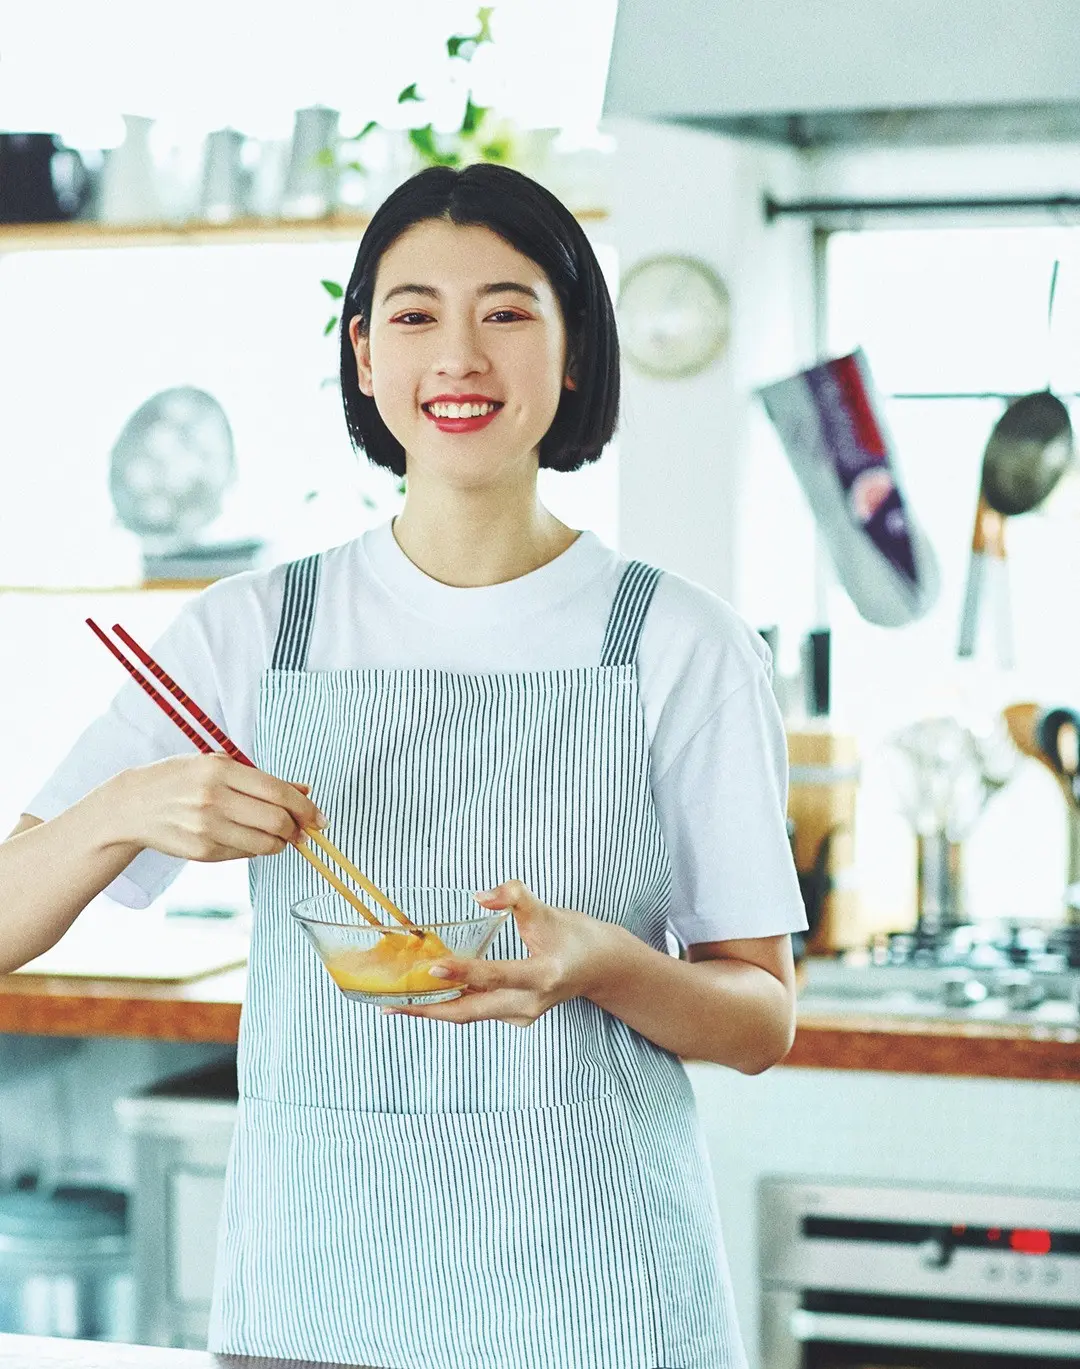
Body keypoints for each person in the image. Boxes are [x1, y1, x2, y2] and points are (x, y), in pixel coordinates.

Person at [0, 163, 806, 1369]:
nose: (461, 357)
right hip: (313, 1293)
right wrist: (127, 807)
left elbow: (760, 1018)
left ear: (575, 348)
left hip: (598, 1295)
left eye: (508, 310)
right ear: (365, 357)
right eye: (416, 314)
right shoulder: (251, 631)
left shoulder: (680, 644)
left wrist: (604, 965)